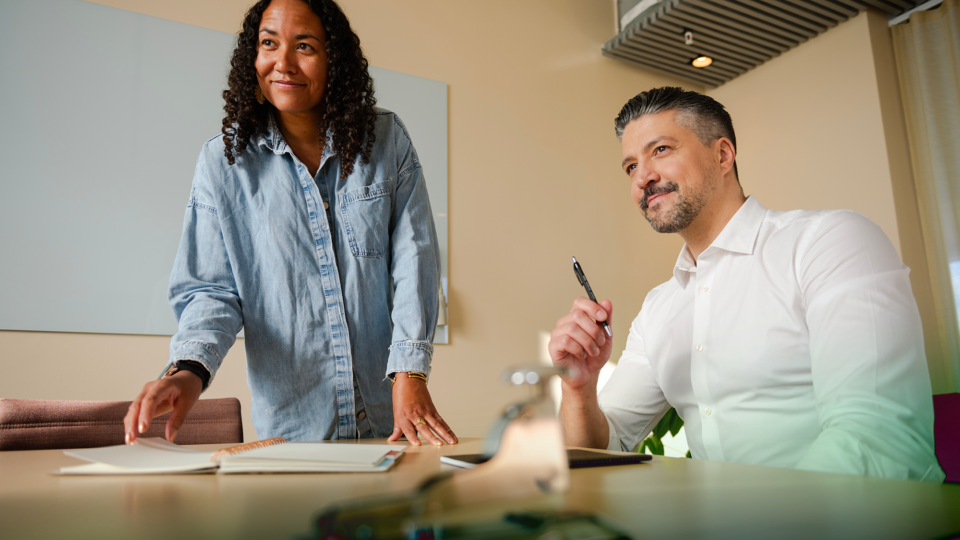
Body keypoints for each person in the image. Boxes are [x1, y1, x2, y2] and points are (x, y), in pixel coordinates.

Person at [549, 86, 944, 481]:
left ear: (722, 155)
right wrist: (579, 389)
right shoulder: (658, 308)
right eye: (631, 166)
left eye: (661, 150)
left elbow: (877, 438)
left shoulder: (829, 242)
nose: (643, 178)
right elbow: (603, 450)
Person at [124, 0, 457, 447]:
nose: (283, 63)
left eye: (304, 46)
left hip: (390, 427)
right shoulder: (223, 164)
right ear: (253, 57)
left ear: (333, 59)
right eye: (268, 44)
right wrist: (188, 371)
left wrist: (410, 371)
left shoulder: (386, 141)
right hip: (295, 438)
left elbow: (415, 262)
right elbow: (211, 291)